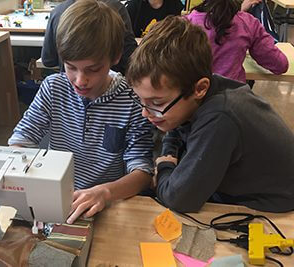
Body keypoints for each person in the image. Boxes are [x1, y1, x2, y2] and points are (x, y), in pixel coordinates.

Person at [126, 16, 294, 213]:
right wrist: (169, 155)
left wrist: (164, 167)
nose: (145, 113)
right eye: (142, 100)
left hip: (268, 209)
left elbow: (179, 200)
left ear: (200, 88)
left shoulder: (221, 116)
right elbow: (176, 129)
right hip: (236, 189)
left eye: (156, 103)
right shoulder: (198, 91)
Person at [10, 0, 154, 223]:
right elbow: (21, 141)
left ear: (115, 57)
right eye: (71, 67)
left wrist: (104, 192)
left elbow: (142, 173)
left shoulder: (132, 99)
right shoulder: (53, 87)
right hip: (57, 199)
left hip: (107, 204)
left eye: (93, 69)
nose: (80, 80)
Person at [186, 0, 288, 83]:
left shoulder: (187, 23)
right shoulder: (248, 23)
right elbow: (280, 65)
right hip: (233, 99)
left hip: (196, 100)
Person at [41, 0, 137, 75]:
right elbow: (130, 60)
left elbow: (48, 60)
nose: (81, 81)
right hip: (111, 88)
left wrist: (71, 66)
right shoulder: (116, 8)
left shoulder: (58, 11)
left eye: (93, 69)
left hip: (69, 91)